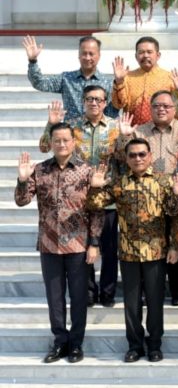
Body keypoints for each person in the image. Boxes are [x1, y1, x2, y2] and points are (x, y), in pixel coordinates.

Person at [86, 138, 178, 363]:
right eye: (133, 155)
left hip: (156, 252)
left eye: (142, 154)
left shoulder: (163, 181)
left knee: (155, 301)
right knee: (131, 304)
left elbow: (175, 216)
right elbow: (94, 204)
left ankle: (155, 345)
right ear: (127, 158)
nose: (137, 159)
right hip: (128, 252)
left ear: (149, 156)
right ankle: (135, 345)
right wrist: (95, 186)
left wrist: (175, 246)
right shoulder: (119, 184)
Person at [15, 123, 102, 364]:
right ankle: (60, 341)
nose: (62, 144)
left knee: (78, 296)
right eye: (57, 140)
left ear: (73, 142)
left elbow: (96, 209)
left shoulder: (86, 171)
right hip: (49, 244)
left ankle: (76, 344)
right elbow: (22, 201)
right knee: (54, 297)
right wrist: (23, 180)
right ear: (50, 143)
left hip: (78, 245)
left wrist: (94, 242)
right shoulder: (40, 170)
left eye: (66, 140)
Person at [39, 87, 121, 308]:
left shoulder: (115, 127)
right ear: (83, 101)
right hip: (78, 199)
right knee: (84, 249)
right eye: (89, 99)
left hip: (108, 197)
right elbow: (45, 146)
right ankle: (89, 292)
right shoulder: (73, 126)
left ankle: (108, 292)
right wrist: (51, 124)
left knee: (109, 249)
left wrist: (127, 135)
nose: (94, 103)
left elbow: (124, 158)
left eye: (98, 99)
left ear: (105, 103)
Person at [116, 90, 178, 306]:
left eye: (166, 106)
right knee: (149, 244)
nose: (161, 109)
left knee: (177, 241)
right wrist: (124, 137)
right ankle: (145, 290)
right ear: (150, 109)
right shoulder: (139, 131)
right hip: (146, 193)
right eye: (156, 106)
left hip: (177, 191)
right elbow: (123, 157)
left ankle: (177, 291)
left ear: (175, 109)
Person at [24, 35, 117, 121]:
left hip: (96, 135)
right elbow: (40, 83)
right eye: (84, 53)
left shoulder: (107, 84)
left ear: (99, 56)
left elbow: (111, 114)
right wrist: (33, 61)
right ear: (79, 55)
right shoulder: (67, 79)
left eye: (91, 54)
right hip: (71, 134)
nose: (87, 58)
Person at [111, 37, 178, 126]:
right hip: (132, 131)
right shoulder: (127, 77)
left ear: (158, 55)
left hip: (161, 132)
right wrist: (119, 82)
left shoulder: (170, 78)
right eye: (141, 52)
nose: (145, 55)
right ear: (136, 56)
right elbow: (118, 105)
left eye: (149, 52)